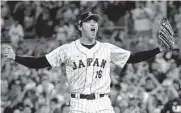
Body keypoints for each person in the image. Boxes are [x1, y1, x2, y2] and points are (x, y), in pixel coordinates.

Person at [3, 12, 172, 113]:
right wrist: (15, 57)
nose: (94, 24)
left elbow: (133, 58)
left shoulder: (106, 48)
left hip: (103, 103)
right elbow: (40, 62)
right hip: (79, 104)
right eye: (89, 21)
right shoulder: (68, 49)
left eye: (95, 21)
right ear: (79, 26)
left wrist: (158, 50)